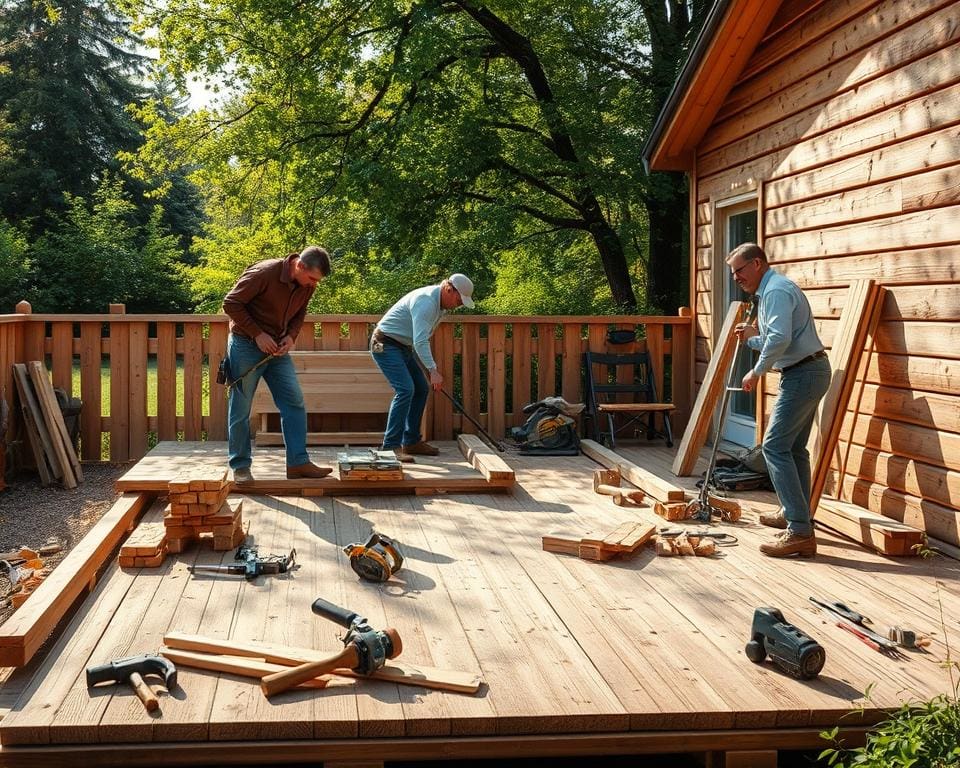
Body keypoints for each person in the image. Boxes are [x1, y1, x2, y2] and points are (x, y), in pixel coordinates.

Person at [728, 243, 830, 558]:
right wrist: (752, 336)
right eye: (733, 272)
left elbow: (780, 339)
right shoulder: (772, 290)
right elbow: (778, 336)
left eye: (739, 270)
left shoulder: (775, 292)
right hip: (807, 371)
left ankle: (799, 531)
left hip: (804, 374)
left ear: (757, 263)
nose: (736, 278)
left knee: (774, 447)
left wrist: (756, 371)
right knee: (794, 449)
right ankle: (793, 512)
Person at [223, 245, 334, 483]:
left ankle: (298, 463)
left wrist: (291, 336)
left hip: (278, 350)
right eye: (312, 278)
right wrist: (257, 334)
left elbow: (300, 312)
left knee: (293, 401)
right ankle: (240, 467)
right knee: (241, 409)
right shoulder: (264, 273)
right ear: (300, 266)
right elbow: (231, 303)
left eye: (317, 281)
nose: (314, 285)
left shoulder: (307, 284)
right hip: (245, 344)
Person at [371, 274, 476, 462]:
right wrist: (433, 370)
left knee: (420, 388)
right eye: (459, 300)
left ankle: (411, 441)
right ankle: (390, 447)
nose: (458, 305)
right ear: (449, 289)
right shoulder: (426, 302)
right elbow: (420, 341)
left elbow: (420, 339)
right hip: (384, 344)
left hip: (402, 346)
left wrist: (430, 369)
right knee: (405, 390)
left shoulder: (440, 305)